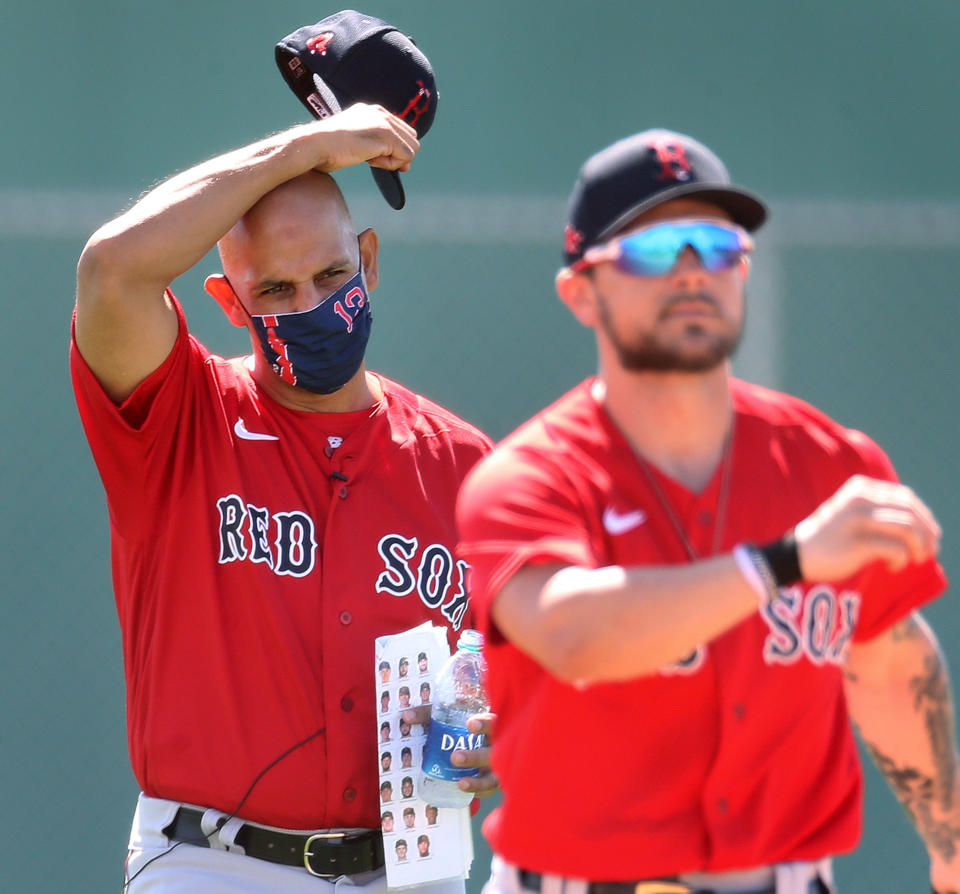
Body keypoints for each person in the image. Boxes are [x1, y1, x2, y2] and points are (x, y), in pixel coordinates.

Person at [456, 128, 960, 894]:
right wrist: (781, 564)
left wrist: (951, 842)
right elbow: (572, 635)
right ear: (581, 291)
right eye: (655, 252)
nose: (692, 273)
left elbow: (889, 662)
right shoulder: (530, 478)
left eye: (717, 248)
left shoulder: (832, 464)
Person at [71, 14, 496, 894]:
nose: (311, 303)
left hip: (407, 870)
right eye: (277, 289)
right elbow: (114, 270)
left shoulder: (462, 461)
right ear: (229, 299)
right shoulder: (182, 416)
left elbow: (501, 679)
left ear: (369, 261)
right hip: (212, 862)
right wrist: (312, 146)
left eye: (332, 278)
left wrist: (490, 735)